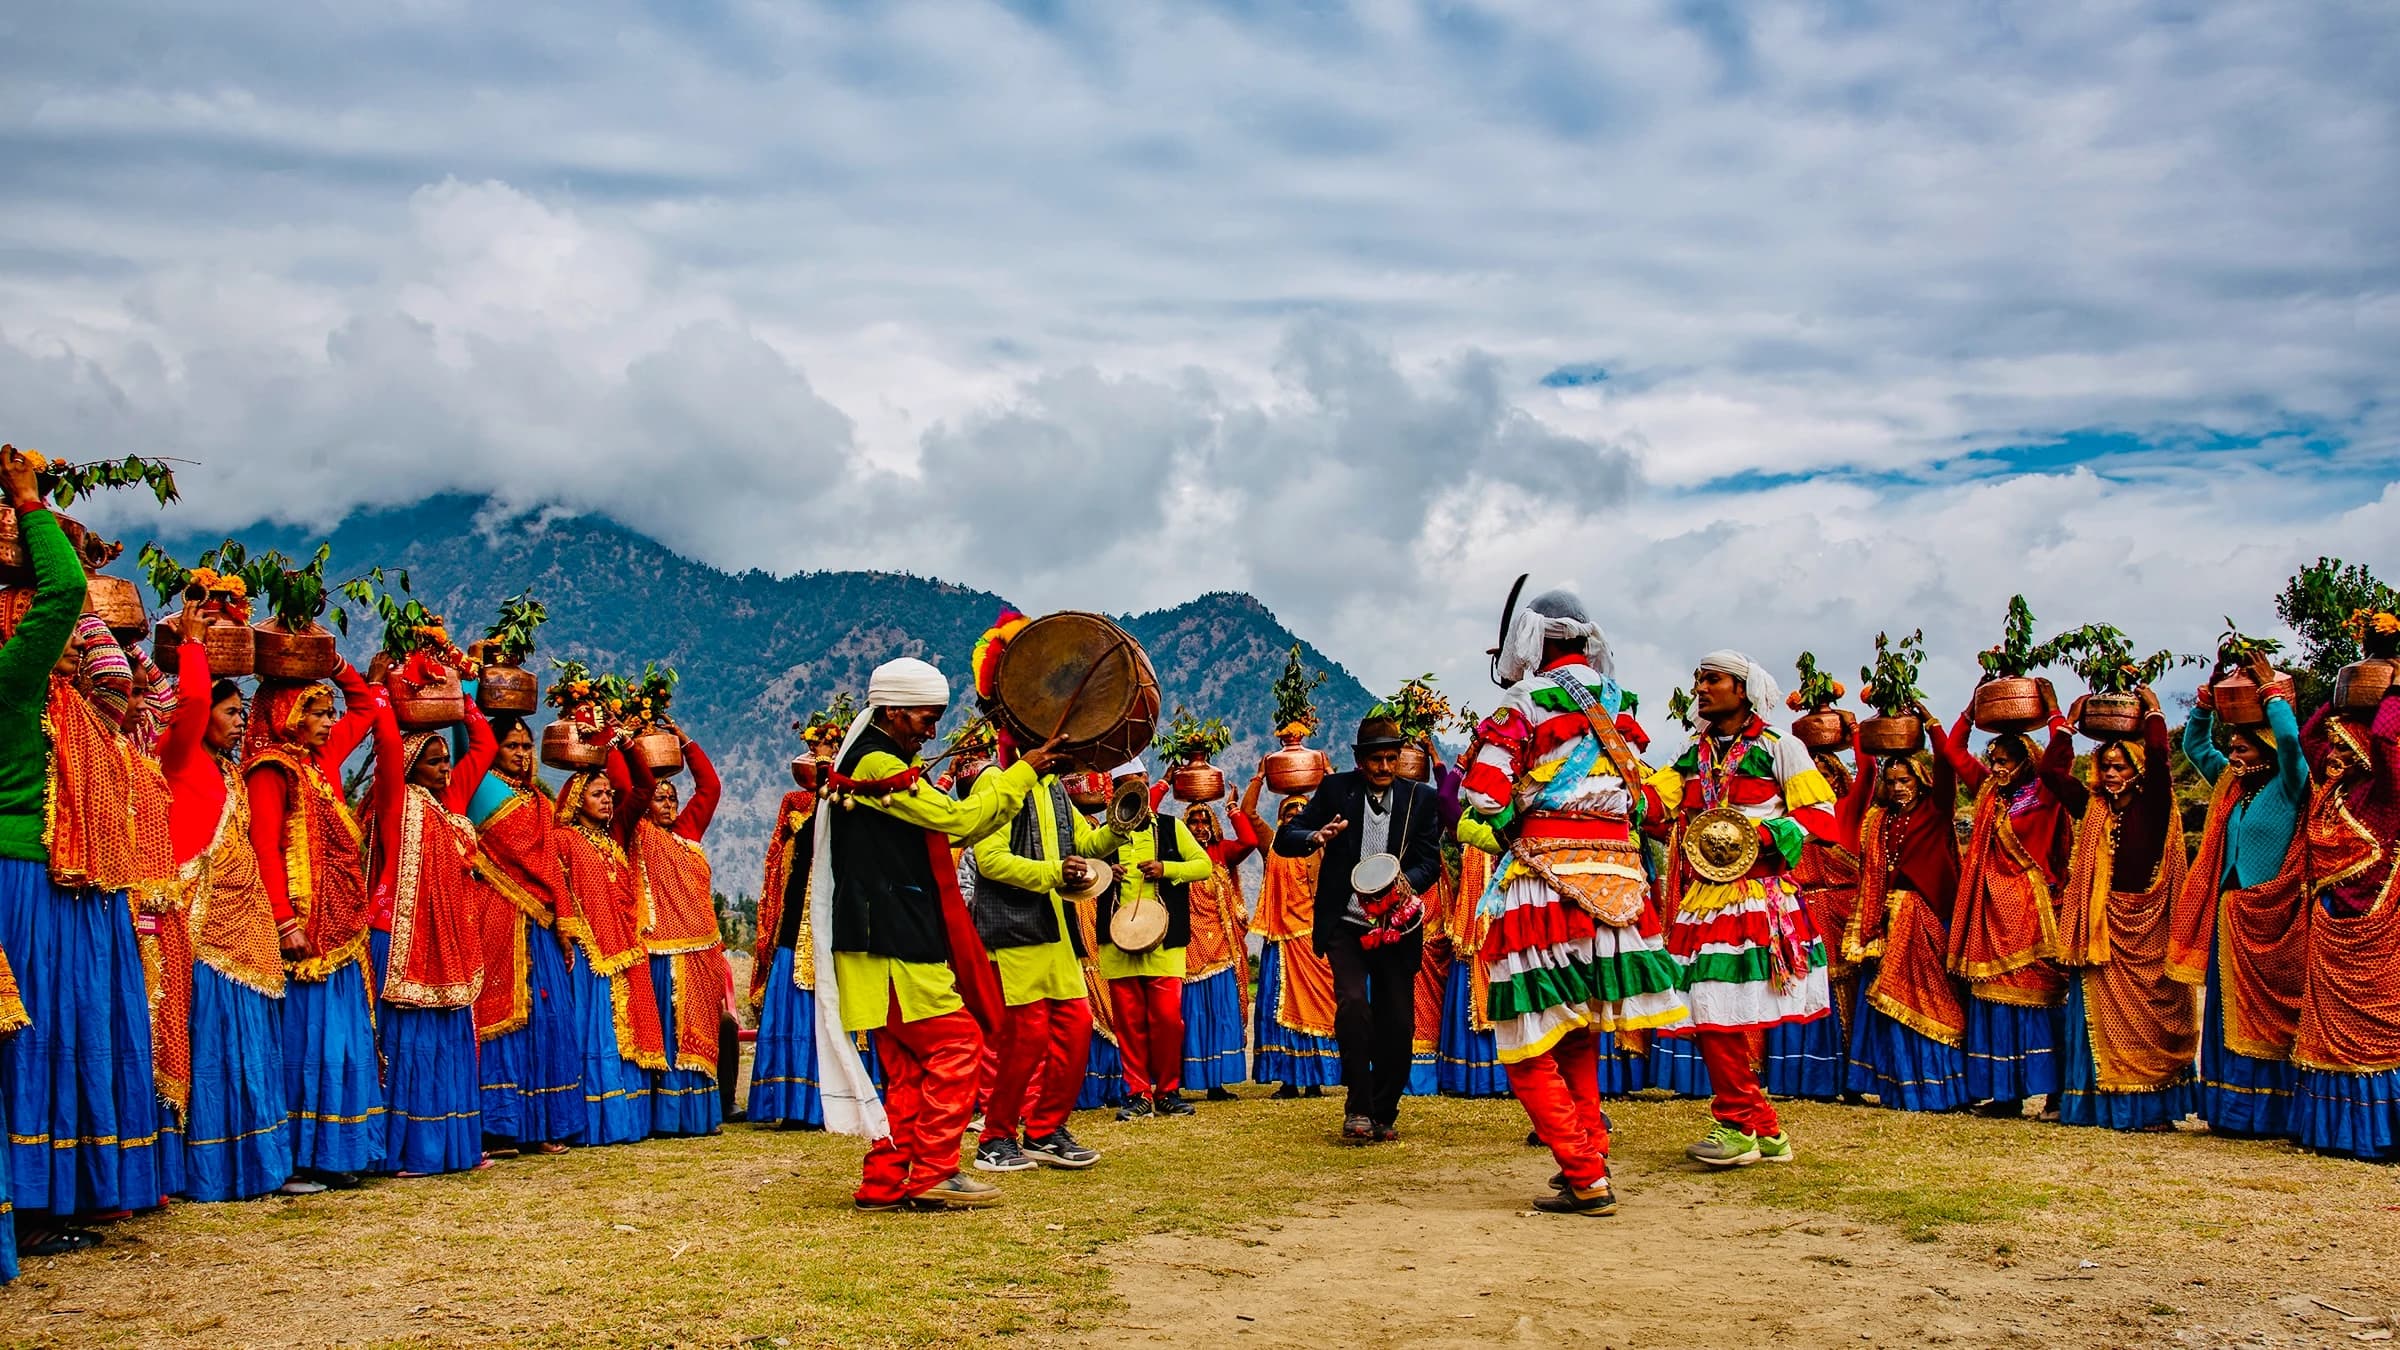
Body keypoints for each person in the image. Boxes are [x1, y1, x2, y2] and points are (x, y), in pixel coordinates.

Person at [1459, 589, 1689, 1213]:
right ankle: (1590, 1158)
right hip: (1618, 882)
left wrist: (1516, 817)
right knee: (1577, 1032)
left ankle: (1585, 1174)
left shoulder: (1525, 702)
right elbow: (1644, 799)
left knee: (1528, 1035)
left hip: (1546, 881)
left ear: (1532, 642)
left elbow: (1484, 797)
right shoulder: (1620, 705)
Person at [810, 658, 1061, 1211]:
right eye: (926, 717)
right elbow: (961, 821)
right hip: (893, 937)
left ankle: (886, 1181)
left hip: (877, 937)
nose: (932, 730)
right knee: (957, 1044)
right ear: (895, 711)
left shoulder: (876, 756)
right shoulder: (877, 763)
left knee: (907, 1067)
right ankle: (934, 1171)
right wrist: (1025, 771)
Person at [0, 446, 159, 1255]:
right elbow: (64, 591)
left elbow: (137, 683)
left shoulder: (77, 716)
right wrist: (28, 499)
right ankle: (30, 1200)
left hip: (65, 881)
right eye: (56, 635)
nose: (70, 641)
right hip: (26, 875)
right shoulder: (11, 684)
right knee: (39, 1034)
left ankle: (64, 1192)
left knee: (72, 1030)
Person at [1642, 651, 1836, 1168]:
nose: (1701, 688)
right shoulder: (1691, 754)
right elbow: (1655, 803)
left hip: (1757, 896)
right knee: (1709, 1012)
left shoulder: (1781, 747)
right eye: (1698, 679)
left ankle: (1737, 1125)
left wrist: (1763, 833)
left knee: (1716, 1013)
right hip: (1703, 899)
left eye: (1713, 679)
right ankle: (1762, 1128)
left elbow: (1821, 816)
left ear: (1742, 687)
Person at [159, 610, 294, 1201]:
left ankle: (258, 1166)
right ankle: (211, 1169)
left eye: (243, 712)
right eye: (230, 712)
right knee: (212, 1043)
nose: (240, 723)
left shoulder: (228, 770)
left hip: (243, 929)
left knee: (250, 1043)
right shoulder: (181, 755)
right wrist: (192, 648)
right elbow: (185, 709)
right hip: (204, 928)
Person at [246, 655, 388, 1187]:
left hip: (341, 921)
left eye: (329, 713)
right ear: (289, 714)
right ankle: (307, 1156)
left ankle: (342, 1152)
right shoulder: (272, 770)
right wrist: (285, 922)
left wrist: (340, 665)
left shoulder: (318, 766)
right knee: (309, 1042)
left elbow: (365, 709)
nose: (331, 722)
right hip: (305, 930)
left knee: (343, 1041)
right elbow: (263, 847)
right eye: (319, 713)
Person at [1276, 712, 1445, 1143]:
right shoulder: (1336, 790)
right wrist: (1317, 837)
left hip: (1398, 927)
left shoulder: (1420, 799)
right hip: (1346, 924)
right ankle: (1358, 1105)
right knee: (1353, 1006)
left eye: (1392, 758)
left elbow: (1429, 860)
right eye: (1376, 760)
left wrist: (1410, 882)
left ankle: (1385, 1110)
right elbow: (1286, 837)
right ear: (1359, 759)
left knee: (1399, 1024)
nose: (1385, 768)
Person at [2171, 654, 2310, 1139]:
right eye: (2232, 748)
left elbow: (2292, 741)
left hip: (2274, 915)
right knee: (2225, 1012)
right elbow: (2194, 744)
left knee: (2271, 1015)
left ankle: (2270, 1113)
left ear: (2266, 751)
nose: (2234, 755)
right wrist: (2208, 698)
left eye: (2244, 748)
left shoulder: (2291, 785)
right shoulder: (2232, 787)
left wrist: (2270, 693)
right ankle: (2230, 1111)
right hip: (2228, 913)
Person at [2045, 687, 2196, 1131]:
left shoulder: (2154, 804)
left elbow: (2162, 758)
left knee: (2150, 1020)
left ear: (2137, 770)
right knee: (2096, 1018)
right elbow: (2052, 774)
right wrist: (2065, 724)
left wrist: (2152, 712)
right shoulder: (2092, 808)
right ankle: (2094, 1106)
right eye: (2105, 766)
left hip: (2146, 927)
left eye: (2120, 767)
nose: (2111, 774)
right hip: (2099, 929)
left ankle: (2149, 1110)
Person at [364, 671, 494, 1174]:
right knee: (408, 1046)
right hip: (398, 935)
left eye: (446, 761)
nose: (445, 769)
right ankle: (404, 1152)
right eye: (435, 761)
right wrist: (389, 694)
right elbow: (389, 749)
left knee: (447, 1046)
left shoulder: (451, 804)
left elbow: (480, 744)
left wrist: (459, 688)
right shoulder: (397, 802)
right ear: (415, 763)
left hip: (448, 945)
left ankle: (453, 1148)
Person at [964, 734, 1106, 1171]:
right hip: (1013, 928)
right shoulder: (998, 782)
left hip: (1056, 930)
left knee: (1077, 1027)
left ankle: (1045, 1130)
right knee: (1026, 1038)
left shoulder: (1055, 789)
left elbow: (1086, 845)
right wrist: (1053, 871)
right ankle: (996, 1138)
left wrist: (1119, 826)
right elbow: (990, 860)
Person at [1935, 692, 2077, 1120]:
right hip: (1990, 911)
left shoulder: (2045, 793)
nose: (1996, 768)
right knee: (1994, 1001)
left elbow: (2060, 758)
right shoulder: (1988, 794)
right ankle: (2005, 1094)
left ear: (2025, 761)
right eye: (1993, 760)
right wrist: (1970, 710)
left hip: (2034, 908)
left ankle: (2053, 1093)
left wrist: (2053, 711)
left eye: (2004, 761)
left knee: (2040, 1000)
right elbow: (1953, 752)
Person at [453, 688, 582, 1156]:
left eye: (527, 747)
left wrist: (564, 923)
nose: (523, 755)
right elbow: (470, 740)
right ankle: (500, 1126)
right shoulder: (483, 788)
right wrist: (468, 682)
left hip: (541, 923)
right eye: (513, 746)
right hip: (498, 914)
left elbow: (552, 866)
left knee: (549, 1019)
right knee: (501, 1015)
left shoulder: (541, 803)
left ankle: (544, 1123)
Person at [2291, 688, 2400, 1160]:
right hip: (2331, 918)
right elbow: (2309, 738)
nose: (2332, 754)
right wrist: (2340, 698)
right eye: (2334, 748)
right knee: (2328, 1031)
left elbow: (2387, 740)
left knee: (2378, 1029)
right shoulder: (2334, 791)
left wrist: (2392, 688)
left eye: (2343, 747)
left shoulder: (2388, 793)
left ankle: (2380, 1134)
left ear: (2362, 752)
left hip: (2374, 919)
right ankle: (2333, 1132)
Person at [1841, 727, 1970, 1112]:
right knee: (1881, 1002)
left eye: (1906, 780)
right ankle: (1891, 1085)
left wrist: (1931, 725)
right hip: (1886, 918)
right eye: (1892, 781)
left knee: (1930, 999)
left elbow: (1948, 767)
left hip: (1925, 914)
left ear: (1920, 780)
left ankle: (1935, 1088)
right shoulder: (1879, 820)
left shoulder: (1936, 810)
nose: (1898, 787)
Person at [613, 724, 729, 1139]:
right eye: (659, 798)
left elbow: (710, 787)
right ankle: (664, 1117)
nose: (665, 804)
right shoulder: (635, 832)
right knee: (664, 1034)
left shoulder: (686, 832)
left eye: (671, 799)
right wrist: (624, 742)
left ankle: (697, 1115)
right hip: (658, 949)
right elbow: (632, 788)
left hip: (701, 949)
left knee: (700, 1031)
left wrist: (684, 742)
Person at [1095, 760, 1213, 1122]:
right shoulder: (1101, 835)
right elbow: (1080, 873)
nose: (1132, 793)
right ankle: (1137, 1093)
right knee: (1128, 1022)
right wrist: (1103, 870)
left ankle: (1167, 1091)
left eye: (1137, 786)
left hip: (1164, 941)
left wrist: (1167, 869)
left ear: (1147, 785)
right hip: (1115, 940)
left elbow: (1203, 865)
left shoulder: (1171, 828)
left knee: (1166, 1020)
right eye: (1123, 787)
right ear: (1112, 793)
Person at [553, 765, 659, 1146]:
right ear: (576, 799)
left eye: (609, 794)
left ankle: (625, 1120)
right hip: (588, 951)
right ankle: (593, 1122)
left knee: (624, 1031)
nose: (606, 800)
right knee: (593, 1028)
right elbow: (559, 888)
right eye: (597, 793)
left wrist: (618, 738)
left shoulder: (613, 839)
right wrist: (568, 932)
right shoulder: (563, 839)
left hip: (624, 945)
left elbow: (644, 787)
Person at [1765, 745, 1865, 1102]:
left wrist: (1851, 730)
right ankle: (1797, 1079)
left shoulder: (1845, 812)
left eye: (1826, 774)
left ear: (1838, 780)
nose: (1816, 781)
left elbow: (1866, 772)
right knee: (1796, 989)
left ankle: (1848, 1079)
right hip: (1797, 907)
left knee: (1841, 993)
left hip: (1840, 909)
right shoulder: (1788, 822)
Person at [748, 745, 829, 1129]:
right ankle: (795, 1101)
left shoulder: (851, 805)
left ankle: (829, 1100)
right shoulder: (797, 806)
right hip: (797, 923)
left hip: (831, 917)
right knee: (795, 1006)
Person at [1248, 790, 1338, 1098]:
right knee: (1277, 1011)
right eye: (1288, 814)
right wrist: (1259, 778)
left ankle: (1314, 1080)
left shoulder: (1320, 847)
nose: (1292, 818)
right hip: (1282, 940)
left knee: (1317, 1008)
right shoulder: (1273, 845)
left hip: (1312, 938)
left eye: (1298, 814)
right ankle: (1288, 1082)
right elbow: (1250, 814)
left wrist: (1327, 775)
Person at [1180, 783, 1262, 1102]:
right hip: (1190, 949)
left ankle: (1216, 1084)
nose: (1199, 828)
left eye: (1204, 822)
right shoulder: (1176, 853)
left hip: (1223, 950)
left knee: (1220, 1015)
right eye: (1193, 822)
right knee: (1193, 1016)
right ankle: (1189, 1079)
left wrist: (1232, 809)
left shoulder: (1222, 852)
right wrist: (1160, 785)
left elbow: (1250, 841)